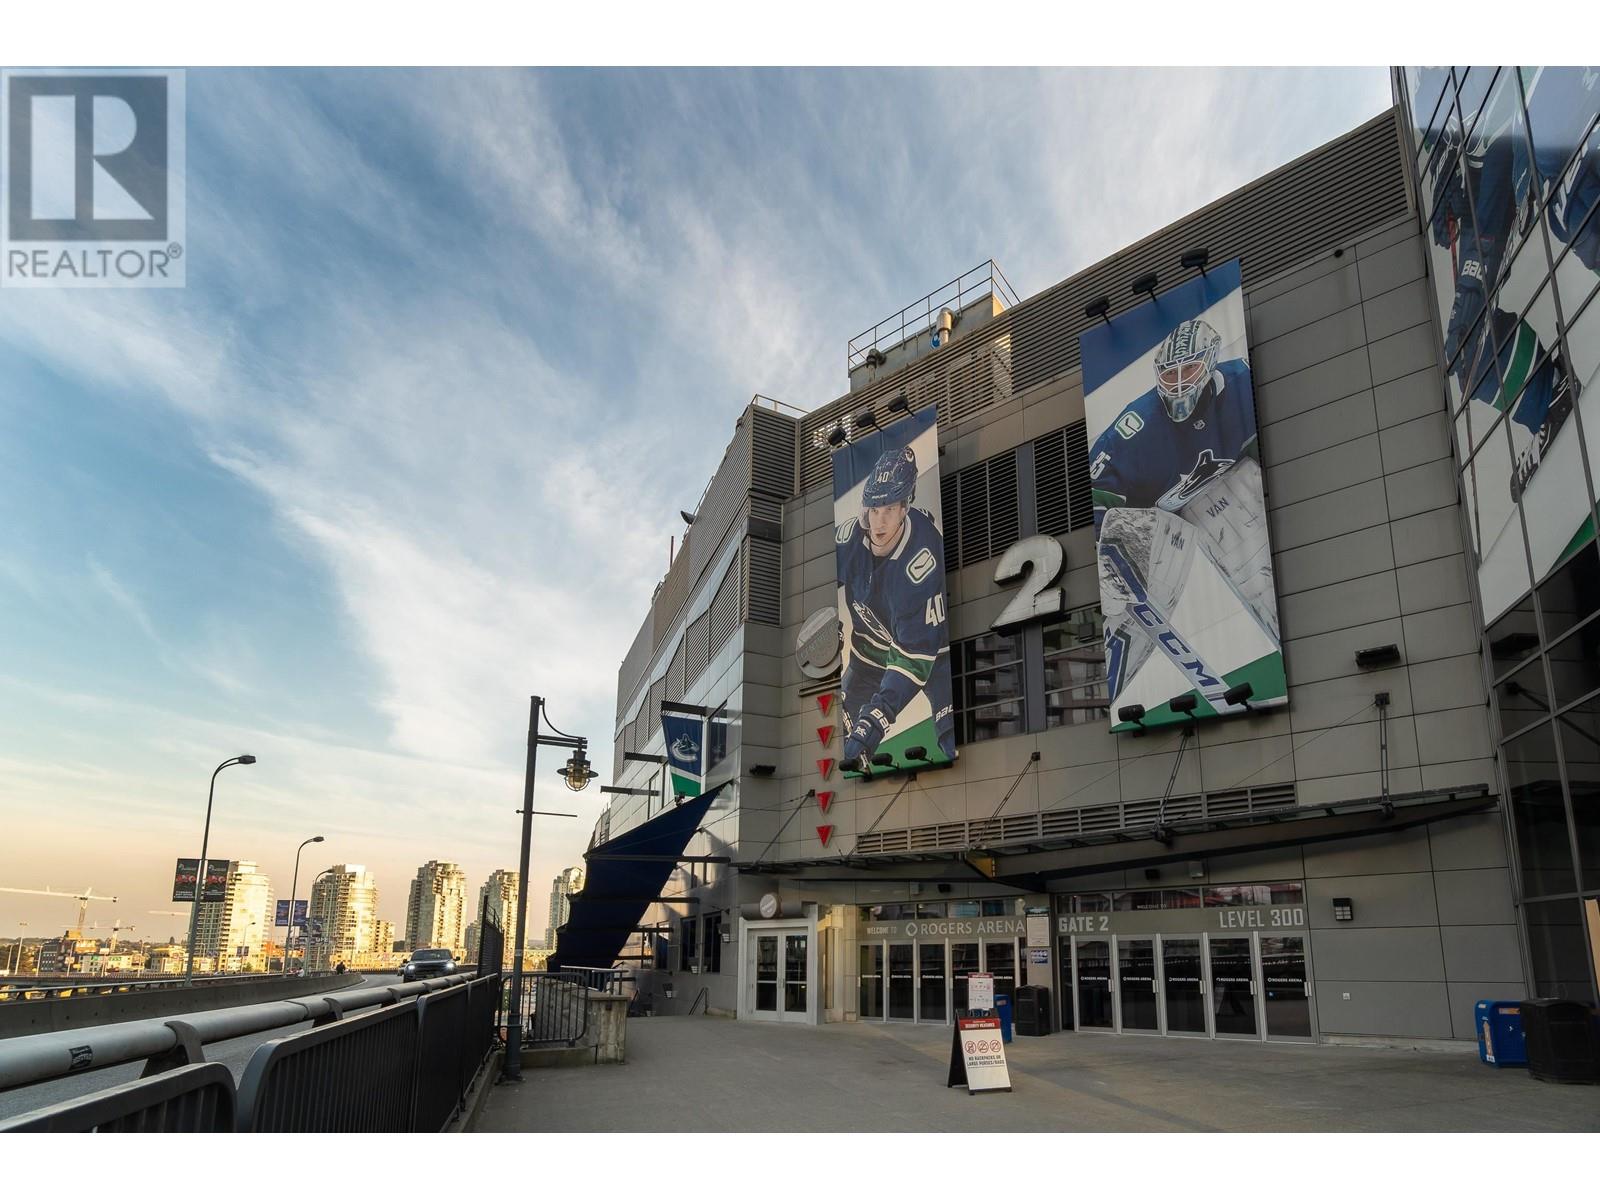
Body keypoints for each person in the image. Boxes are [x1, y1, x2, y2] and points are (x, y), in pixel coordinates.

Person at [1089, 317, 1278, 702]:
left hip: (1218, 496)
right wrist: (1109, 548)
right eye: (1170, 373)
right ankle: (1114, 660)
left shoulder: (1242, 382)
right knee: (1126, 549)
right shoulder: (1137, 427)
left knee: (1261, 572)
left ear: (1209, 363)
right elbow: (1097, 491)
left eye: (1188, 368)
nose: (1178, 382)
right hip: (1158, 518)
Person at [835, 444, 955, 767]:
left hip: (933, 656)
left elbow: (912, 660)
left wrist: (876, 720)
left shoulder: (921, 560)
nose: (880, 520)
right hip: (871, 653)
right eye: (875, 509)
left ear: (905, 507)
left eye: (889, 509)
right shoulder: (849, 540)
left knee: (951, 741)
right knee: (839, 741)